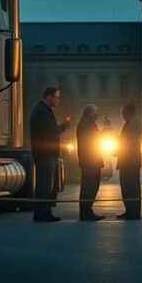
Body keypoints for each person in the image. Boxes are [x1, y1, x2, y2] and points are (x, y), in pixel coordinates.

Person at [29, 87, 71, 223]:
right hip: (45, 154)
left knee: (45, 183)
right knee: (44, 184)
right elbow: (51, 132)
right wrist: (64, 126)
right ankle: (42, 213)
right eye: (57, 97)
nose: (58, 100)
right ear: (49, 96)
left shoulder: (42, 110)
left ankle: (43, 212)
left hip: (44, 153)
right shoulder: (43, 111)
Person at [76, 104, 105, 221]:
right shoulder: (87, 124)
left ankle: (86, 210)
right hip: (90, 161)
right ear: (89, 112)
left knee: (89, 186)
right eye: (95, 112)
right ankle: (86, 211)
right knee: (90, 186)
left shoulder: (86, 123)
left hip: (89, 160)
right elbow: (92, 141)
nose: (97, 114)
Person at [117, 102, 142, 219]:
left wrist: (120, 150)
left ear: (129, 111)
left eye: (123, 112)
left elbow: (131, 143)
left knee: (131, 187)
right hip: (127, 160)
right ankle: (130, 210)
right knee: (127, 187)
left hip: (130, 161)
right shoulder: (130, 123)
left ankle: (133, 211)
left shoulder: (135, 124)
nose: (122, 114)